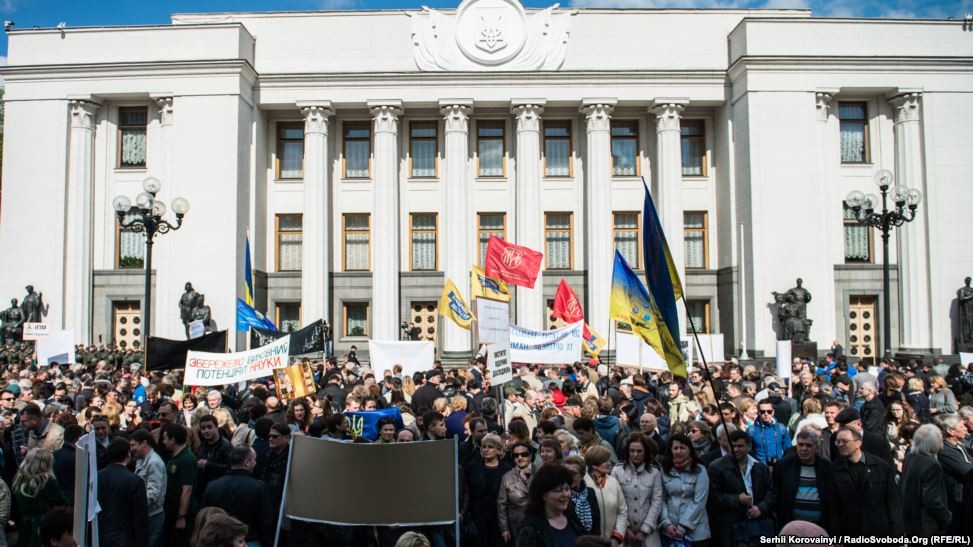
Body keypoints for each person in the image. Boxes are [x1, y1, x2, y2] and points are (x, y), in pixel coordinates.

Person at [825, 427, 903, 537]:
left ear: (858, 443)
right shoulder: (834, 470)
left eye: (845, 441)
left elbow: (892, 503)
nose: (840, 445)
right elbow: (832, 507)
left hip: (878, 533)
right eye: (838, 442)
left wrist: (897, 534)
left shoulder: (880, 467)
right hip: (849, 534)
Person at [707, 430, 773, 547]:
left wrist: (760, 508)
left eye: (740, 446)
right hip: (730, 528)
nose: (736, 449)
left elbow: (771, 493)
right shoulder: (716, 467)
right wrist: (737, 499)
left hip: (758, 525)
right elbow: (713, 497)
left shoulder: (760, 468)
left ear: (749, 447)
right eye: (732, 446)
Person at [201, 446, 275, 547]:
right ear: (246, 462)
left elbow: (205, 517)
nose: (256, 463)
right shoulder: (259, 488)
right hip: (250, 541)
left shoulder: (212, 486)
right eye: (254, 459)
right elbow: (266, 522)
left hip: (219, 542)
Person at [771, 429, 830, 530]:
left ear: (817, 448)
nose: (804, 449)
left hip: (819, 527)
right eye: (800, 445)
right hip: (790, 526)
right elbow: (774, 492)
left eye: (808, 445)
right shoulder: (784, 466)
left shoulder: (827, 468)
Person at [514, 464, 585, 547]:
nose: (565, 494)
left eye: (567, 489)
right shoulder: (530, 529)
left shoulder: (572, 516)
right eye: (558, 490)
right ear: (543, 495)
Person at [611, 433, 662, 547]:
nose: (635, 454)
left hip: (649, 532)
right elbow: (614, 501)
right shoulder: (617, 471)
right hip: (623, 530)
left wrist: (645, 530)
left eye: (639, 451)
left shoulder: (654, 473)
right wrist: (626, 528)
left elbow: (656, 502)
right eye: (632, 451)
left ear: (645, 452)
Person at [658, 433, 710, 545]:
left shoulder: (699, 470)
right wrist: (666, 523)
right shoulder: (665, 470)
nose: (678, 451)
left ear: (689, 449)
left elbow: (699, 501)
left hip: (696, 532)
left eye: (682, 448)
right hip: (670, 530)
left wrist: (683, 526)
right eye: (675, 448)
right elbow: (661, 498)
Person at [901, 424, 952, 538]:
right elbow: (931, 499)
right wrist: (946, 517)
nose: (942, 445)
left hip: (910, 523)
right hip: (927, 526)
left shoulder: (910, 456)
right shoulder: (932, 464)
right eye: (940, 440)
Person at [97, 437, 149, 546]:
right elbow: (140, 517)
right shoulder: (135, 481)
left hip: (101, 535)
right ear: (128, 455)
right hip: (125, 538)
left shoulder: (97, 477)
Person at [13, 448, 66, 547]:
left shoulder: (19, 479)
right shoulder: (46, 480)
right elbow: (62, 503)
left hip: (25, 526)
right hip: (43, 525)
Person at [465, 433, 511, 547]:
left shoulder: (507, 468)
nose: (486, 449)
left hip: (499, 517)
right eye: (484, 446)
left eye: (490, 447)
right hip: (478, 517)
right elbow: (468, 492)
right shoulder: (472, 466)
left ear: (499, 450)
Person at [936, 413, 973, 534]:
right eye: (962, 426)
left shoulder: (960, 446)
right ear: (950, 431)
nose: (966, 428)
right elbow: (967, 471)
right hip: (955, 501)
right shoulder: (945, 450)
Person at [161, 423, 198, 547]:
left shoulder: (187, 459)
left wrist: (181, 516)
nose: (163, 442)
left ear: (173, 440)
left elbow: (187, 489)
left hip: (181, 514)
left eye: (165, 438)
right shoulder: (174, 457)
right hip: (171, 510)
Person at [583, 445, 628, 545]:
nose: (609, 463)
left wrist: (617, 537)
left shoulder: (613, 482)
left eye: (609, 460)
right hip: (590, 543)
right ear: (594, 464)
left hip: (614, 542)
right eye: (605, 461)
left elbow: (622, 511)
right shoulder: (583, 483)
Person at [131, 429, 167, 547]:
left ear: (144, 443)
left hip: (153, 516)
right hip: (146, 515)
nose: (131, 449)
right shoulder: (141, 460)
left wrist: (136, 506)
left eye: (133, 445)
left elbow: (153, 493)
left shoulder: (154, 462)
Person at [498, 441, 535, 542]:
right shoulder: (506, 477)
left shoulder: (540, 472)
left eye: (524, 454)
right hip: (517, 525)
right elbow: (501, 505)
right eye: (516, 455)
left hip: (538, 522)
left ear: (530, 455)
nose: (520, 457)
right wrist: (504, 528)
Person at [196, 414, 232, 501]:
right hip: (203, 490)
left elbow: (229, 468)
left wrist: (208, 465)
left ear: (216, 427)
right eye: (203, 428)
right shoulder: (203, 446)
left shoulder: (226, 446)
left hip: (219, 491)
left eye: (209, 427)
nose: (206, 431)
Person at [563, 455, 601, 535]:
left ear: (582, 475)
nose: (569, 477)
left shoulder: (590, 493)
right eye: (566, 473)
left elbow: (596, 522)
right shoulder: (562, 496)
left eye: (574, 473)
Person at [748, 400, 790, 469]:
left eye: (769, 411)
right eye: (762, 411)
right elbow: (748, 453)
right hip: (760, 469)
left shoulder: (781, 428)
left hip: (779, 468)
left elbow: (788, 449)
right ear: (758, 412)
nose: (766, 414)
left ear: (773, 412)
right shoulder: (751, 430)